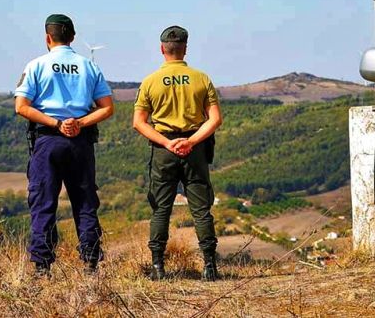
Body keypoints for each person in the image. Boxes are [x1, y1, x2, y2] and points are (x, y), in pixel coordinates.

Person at [14, 14, 114, 277]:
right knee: (84, 201)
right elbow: (107, 108)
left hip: (48, 139)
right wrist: (79, 123)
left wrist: (56, 124)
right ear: (72, 37)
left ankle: (42, 266)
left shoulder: (36, 65)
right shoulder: (89, 66)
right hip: (80, 142)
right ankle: (91, 262)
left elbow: (21, 107)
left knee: (43, 201)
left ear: (48, 38)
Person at [132, 25, 223, 281]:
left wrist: (168, 143)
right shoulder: (201, 79)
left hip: (164, 150)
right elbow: (215, 119)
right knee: (201, 210)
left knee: (161, 209)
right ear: (185, 48)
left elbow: (139, 122)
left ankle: (158, 267)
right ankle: (210, 267)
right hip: (195, 148)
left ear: (162, 49)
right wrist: (191, 141)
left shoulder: (150, 81)